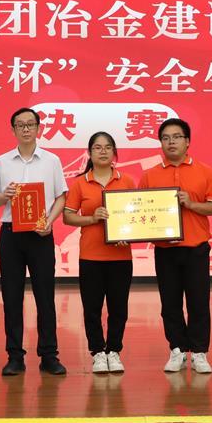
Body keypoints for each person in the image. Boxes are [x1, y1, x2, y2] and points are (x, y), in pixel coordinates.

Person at [139, 118, 212, 374]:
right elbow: (139, 211)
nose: (171, 142)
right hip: (165, 250)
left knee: (199, 302)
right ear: (160, 143)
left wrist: (191, 204)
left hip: (196, 247)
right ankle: (176, 348)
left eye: (176, 137)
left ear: (187, 142)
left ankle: (199, 352)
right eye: (165, 138)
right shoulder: (150, 175)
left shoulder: (205, 171)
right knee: (170, 303)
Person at [0, 107, 68, 376]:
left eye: (30, 124)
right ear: (13, 129)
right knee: (11, 296)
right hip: (11, 234)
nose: (25, 129)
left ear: (38, 128)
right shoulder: (2, 161)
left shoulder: (51, 160)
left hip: (40, 234)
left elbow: (61, 196)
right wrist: (5, 195)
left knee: (45, 296)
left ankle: (49, 355)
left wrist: (50, 221)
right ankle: (15, 356)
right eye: (20, 125)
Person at [63, 132, 136, 374]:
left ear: (114, 152)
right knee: (92, 308)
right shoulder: (80, 183)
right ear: (89, 153)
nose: (103, 151)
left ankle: (114, 351)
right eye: (97, 147)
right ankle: (97, 352)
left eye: (107, 147)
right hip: (91, 257)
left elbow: (135, 216)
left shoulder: (127, 181)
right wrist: (92, 218)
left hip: (121, 257)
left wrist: (129, 232)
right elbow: (68, 216)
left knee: (118, 308)